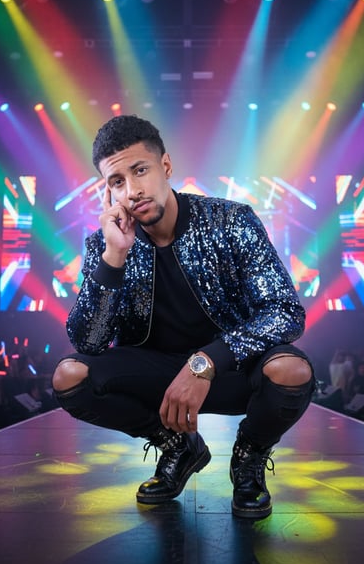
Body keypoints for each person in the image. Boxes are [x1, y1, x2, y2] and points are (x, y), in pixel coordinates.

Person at [51, 114, 315, 519]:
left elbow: (285, 311)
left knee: (292, 371)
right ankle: (177, 446)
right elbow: (88, 341)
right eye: (117, 181)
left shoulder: (231, 220)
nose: (132, 190)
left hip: (232, 369)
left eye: (140, 170)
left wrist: (206, 361)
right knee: (70, 377)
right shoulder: (105, 246)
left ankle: (249, 457)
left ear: (166, 166)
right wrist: (115, 255)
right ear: (108, 191)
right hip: (156, 376)